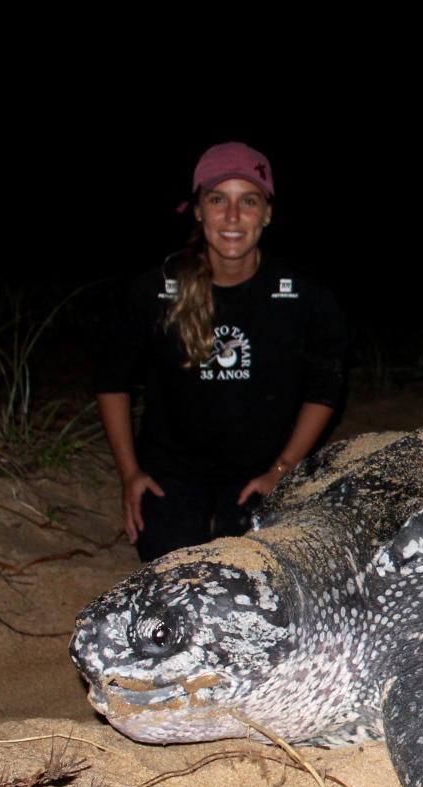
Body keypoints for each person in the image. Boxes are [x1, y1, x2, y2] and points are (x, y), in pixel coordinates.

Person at [95, 142, 348, 562]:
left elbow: (325, 388)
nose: (232, 217)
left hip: (261, 469)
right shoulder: (154, 290)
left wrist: (281, 470)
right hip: (172, 470)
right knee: (169, 563)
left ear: (266, 213)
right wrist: (129, 473)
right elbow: (110, 380)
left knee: (251, 565)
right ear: (197, 210)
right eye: (218, 200)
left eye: (247, 201)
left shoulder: (305, 296)